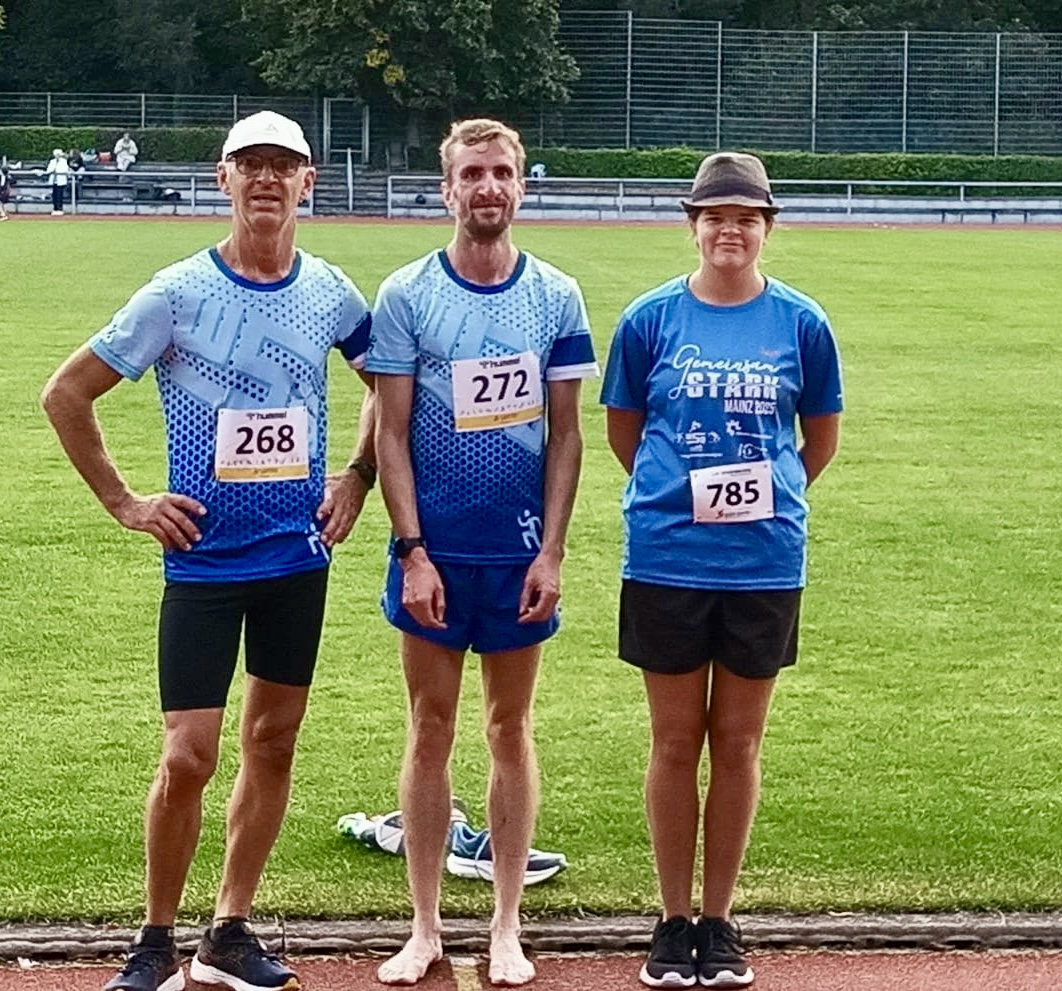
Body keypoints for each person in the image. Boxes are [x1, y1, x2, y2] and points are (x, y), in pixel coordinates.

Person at [41, 109, 376, 991]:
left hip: (297, 559)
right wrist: (125, 501)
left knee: (273, 741)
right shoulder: (178, 292)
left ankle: (228, 928)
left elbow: (394, 382)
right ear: (223, 180)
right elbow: (67, 393)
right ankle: (153, 936)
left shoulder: (331, 292)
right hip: (203, 560)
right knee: (189, 754)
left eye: (284, 165)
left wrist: (357, 475)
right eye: (249, 165)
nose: (266, 179)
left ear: (310, 181)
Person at [600, 152, 844, 989]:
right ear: (693, 224)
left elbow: (819, 439)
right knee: (674, 740)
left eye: (746, 217)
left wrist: (760, 499)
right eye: (715, 216)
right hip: (668, 555)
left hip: (764, 561)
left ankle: (720, 917)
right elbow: (625, 432)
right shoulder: (650, 319)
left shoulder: (802, 323)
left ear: (767, 227)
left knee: (738, 742)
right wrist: (683, 500)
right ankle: (671, 919)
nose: (729, 230)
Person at [367, 117, 598, 987]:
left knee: (509, 726)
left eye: (503, 172)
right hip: (434, 554)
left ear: (522, 186)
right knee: (430, 728)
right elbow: (390, 433)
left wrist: (554, 551)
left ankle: (506, 922)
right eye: (473, 174)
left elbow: (568, 437)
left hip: (518, 556)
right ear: (447, 189)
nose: (488, 187)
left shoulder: (557, 296)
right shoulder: (407, 295)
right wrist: (412, 549)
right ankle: (423, 925)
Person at [44, 148, 70, 215]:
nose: (57, 156)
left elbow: (65, 169)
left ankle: (60, 209)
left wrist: (57, 170)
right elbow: (48, 170)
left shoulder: (64, 161)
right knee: (54, 195)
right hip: (54, 180)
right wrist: (53, 169)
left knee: (60, 195)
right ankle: (55, 208)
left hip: (60, 180)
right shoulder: (52, 161)